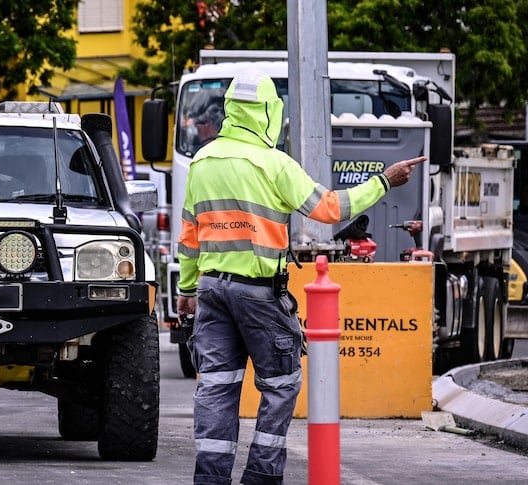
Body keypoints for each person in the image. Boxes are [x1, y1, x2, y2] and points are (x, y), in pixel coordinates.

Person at [175, 68, 425, 485]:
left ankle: (211, 479)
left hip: (212, 291)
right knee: (279, 385)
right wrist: (384, 180)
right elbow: (328, 209)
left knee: (217, 387)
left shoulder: (202, 161)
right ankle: (261, 477)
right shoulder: (274, 164)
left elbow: (189, 233)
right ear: (270, 112)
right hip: (258, 294)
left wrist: (186, 289)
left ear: (232, 111)